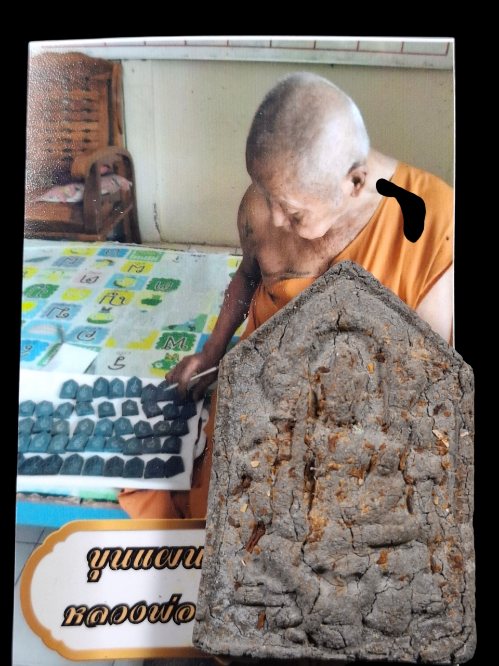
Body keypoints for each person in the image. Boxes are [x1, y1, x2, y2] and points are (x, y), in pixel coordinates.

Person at [118, 72, 453, 520]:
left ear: (355, 183)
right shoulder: (264, 205)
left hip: (356, 437)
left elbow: (423, 389)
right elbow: (247, 276)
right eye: (266, 194)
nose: (273, 219)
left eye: (293, 212)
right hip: (257, 404)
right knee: (202, 513)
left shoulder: (433, 225)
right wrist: (213, 351)